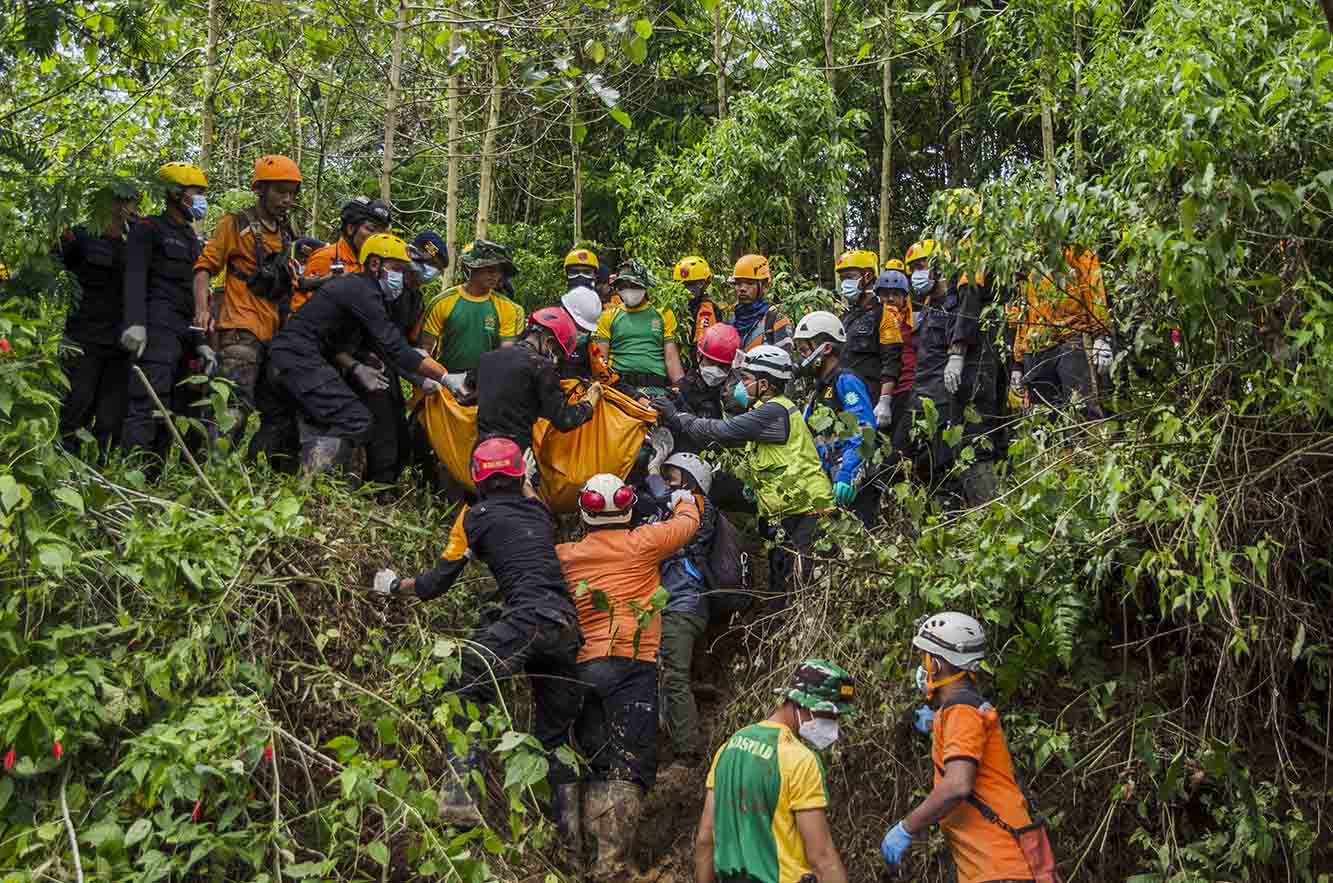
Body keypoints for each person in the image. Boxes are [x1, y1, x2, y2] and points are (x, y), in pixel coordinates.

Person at [371, 438, 584, 828]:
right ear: (522, 475)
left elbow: (437, 582)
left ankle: (460, 796)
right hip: (566, 626)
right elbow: (527, 495)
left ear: (477, 478)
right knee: (555, 736)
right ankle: (570, 839)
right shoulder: (540, 514)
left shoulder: (473, 517)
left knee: (462, 681)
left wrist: (394, 585)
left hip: (527, 619)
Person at [555, 473, 701, 877]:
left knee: (596, 760)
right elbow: (690, 522)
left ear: (584, 512)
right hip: (632, 663)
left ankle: (571, 858)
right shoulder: (643, 542)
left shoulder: (564, 554)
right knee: (628, 763)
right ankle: (611, 865)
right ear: (627, 507)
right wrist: (681, 496)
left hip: (582, 667)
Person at [654, 345, 833, 611]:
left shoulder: (775, 412)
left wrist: (678, 417)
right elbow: (728, 446)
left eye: (747, 379)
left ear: (766, 384)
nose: (741, 385)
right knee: (780, 590)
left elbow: (722, 431)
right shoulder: (765, 413)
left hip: (808, 511)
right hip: (786, 513)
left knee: (800, 590)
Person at [881, 612, 1056, 883]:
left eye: (924, 657)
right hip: (997, 866)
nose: (922, 665)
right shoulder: (964, 708)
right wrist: (935, 724)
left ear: (936, 663)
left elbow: (957, 785)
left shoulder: (961, 710)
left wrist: (907, 827)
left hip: (999, 867)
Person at [266, 234, 447, 474]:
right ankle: (310, 487)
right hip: (297, 357)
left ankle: (288, 480)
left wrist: (356, 365)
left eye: (404, 271)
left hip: (295, 357)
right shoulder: (362, 290)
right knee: (354, 419)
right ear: (374, 264)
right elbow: (395, 346)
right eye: (397, 269)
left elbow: (337, 340)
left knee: (307, 420)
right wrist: (444, 378)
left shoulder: (368, 291)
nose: (401, 276)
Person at [694, 659, 855, 883]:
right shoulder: (800, 760)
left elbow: (705, 839)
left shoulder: (730, 747)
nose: (834, 726)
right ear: (804, 705)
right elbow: (822, 858)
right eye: (831, 715)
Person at [192, 154, 303, 458]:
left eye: (291, 193)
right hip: (239, 330)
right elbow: (205, 267)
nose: (286, 200)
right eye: (280, 191)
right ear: (261, 189)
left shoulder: (285, 233)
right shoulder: (234, 224)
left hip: (274, 333)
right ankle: (209, 471)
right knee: (232, 406)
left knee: (279, 409)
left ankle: (252, 469)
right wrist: (202, 311)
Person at [904, 237, 1005, 507]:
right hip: (925, 399)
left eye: (921, 266)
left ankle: (986, 512)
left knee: (971, 448)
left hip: (949, 393)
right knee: (934, 462)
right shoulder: (926, 307)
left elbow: (967, 326)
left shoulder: (967, 281)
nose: (917, 275)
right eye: (912, 269)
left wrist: (957, 354)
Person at [120, 162, 209, 457]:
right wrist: (135, 323)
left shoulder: (192, 239)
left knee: (174, 406)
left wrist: (201, 342)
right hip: (157, 327)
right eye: (195, 192)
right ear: (173, 193)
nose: (200, 198)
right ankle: (134, 472)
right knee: (149, 400)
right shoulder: (149, 229)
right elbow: (134, 276)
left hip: (185, 331)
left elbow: (196, 293)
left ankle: (155, 477)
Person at [57, 183, 142, 451]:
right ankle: (66, 469)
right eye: (124, 203)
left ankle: (101, 475)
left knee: (111, 417)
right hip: (83, 340)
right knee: (76, 406)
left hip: (120, 344)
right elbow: (47, 264)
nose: (128, 210)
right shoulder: (80, 236)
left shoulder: (136, 246)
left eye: (132, 204)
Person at [655, 453, 718, 780]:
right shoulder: (681, 505)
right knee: (671, 673)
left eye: (673, 476)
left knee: (673, 675)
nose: (667, 482)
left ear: (693, 480)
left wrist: (651, 478)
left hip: (683, 603)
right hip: (681, 601)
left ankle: (686, 756)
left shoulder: (695, 505)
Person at [472, 306, 602, 454]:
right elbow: (564, 419)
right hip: (515, 453)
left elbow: (466, 394)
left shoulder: (486, 358)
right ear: (549, 342)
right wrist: (589, 403)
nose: (556, 360)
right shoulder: (542, 367)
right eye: (557, 353)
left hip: (481, 452)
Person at [793, 311, 879, 528]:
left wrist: (848, 472)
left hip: (850, 480)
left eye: (804, 351)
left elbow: (864, 430)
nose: (802, 358)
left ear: (827, 348)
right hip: (828, 481)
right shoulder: (818, 392)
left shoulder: (845, 381)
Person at [1011, 245, 1113, 419]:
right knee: (1043, 422)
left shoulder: (1076, 248)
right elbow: (1023, 308)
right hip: (1035, 349)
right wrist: (1017, 363)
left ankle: (1088, 445)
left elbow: (1094, 289)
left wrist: (1100, 336)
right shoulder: (1026, 254)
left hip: (1073, 339)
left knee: (1083, 412)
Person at [418, 240, 526, 375]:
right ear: (472, 268)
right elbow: (425, 348)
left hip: (487, 379)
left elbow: (506, 353)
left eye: (499, 271)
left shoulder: (507, 308)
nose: (494, 275)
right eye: (489, 269)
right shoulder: (442, 302)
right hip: (447, 377)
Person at [595, 259, 684, 398]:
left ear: (644, 286)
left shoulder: (663, 314)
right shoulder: (608, 316)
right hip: (620, 390)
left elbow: (671, 358)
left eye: (633, 284)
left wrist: (680, 387)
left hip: (656, 389)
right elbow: (601, 360)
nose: (628, 289)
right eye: (623, 285)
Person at [292, 197, 391, 311]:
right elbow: (300, 310)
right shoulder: (326, 258)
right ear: (351, 228)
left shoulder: (375, 265)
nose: (378, 237)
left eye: (383, 232)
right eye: (371, 229)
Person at [871, 268, 916, 446]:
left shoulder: (915, 323)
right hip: (879, 390)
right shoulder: (871, 323)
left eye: (895, 294)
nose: (890, 299)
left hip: (907, 390)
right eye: (885, 294)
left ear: (905, 297)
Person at [727, 254, 793, 353]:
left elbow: (785, 361)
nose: (742, 289)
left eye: (750, 283)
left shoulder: (776, 322)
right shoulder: (731, 322)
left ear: (765, 286)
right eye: (738, 283)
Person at [559, 284, 615, 383]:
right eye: (578, 327)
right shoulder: (543, 344)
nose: (580, 333)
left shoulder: (590, 347)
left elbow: (607, 376)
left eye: (585, 329)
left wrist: (636, 396)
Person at [674, 255, 723, 347]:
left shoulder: (706, 308)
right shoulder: (675, 306)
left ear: (705, 284)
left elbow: (704, 342)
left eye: (693, 284)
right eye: (684, 285)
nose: (688, 290)